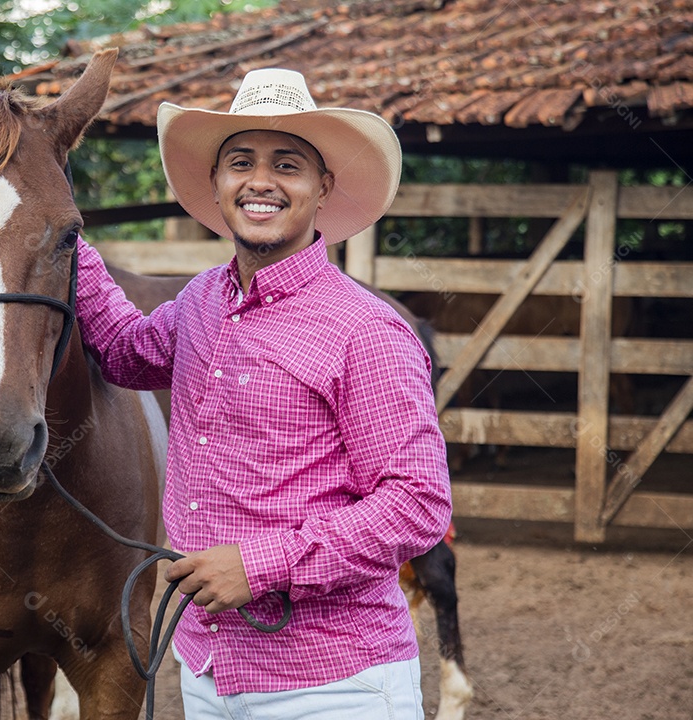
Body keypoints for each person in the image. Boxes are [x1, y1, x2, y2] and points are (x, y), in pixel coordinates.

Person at [74, 68, 451, 719]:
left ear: (322, 187)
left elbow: (417, 503)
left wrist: (260, 565)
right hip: (209, 671)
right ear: (217, 182)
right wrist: (52, 227)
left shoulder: (364, 329)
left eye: (288, 165)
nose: (261, 181)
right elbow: (124, 350)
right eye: (241, 162)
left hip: (334, 685)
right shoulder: (201, 301)